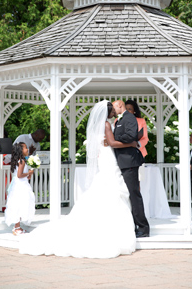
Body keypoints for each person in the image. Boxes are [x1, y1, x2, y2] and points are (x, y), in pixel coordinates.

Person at [19, 101, 138, 258]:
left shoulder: (100, 125)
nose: (114, 113)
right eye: (112, 111)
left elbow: (105, 142)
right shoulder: (106, 125)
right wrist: (133, 143)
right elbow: (112, 143)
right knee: (111, 185)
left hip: (105, 156)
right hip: (109, 157)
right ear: (108, 112)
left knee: (107, 184)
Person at [112, 99, 150, 238]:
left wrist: (114, 139)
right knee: (127, 195)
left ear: (120, 106)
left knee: (134, 195)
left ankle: (143, 227)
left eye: (114, 108)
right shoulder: (119, 120)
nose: (112, 111)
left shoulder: (130, 118)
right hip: (121, 162)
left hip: (130, 162)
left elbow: (130, 136)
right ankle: (131, 225)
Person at [4, 143, 35, 235]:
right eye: (25, 148)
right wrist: (29, 172)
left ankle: (17, 226)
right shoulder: (21, 161)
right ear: (20, 150)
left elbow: (19, 175)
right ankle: (16, 228)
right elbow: (19, 175)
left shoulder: (17, 160)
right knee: (20, 204)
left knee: (18, 204)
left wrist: (27, 175)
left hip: (18, 184)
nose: (27, 150)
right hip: (20, 186)